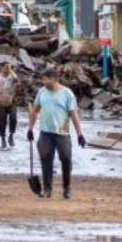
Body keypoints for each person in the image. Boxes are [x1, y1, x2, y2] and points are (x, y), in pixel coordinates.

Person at [28, 67, 86, 199]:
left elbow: (73, 114)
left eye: (46, 79)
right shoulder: (41, 92)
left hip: (62, 133)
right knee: (46, 159)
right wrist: (30, 129)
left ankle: (67, 188)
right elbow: (34, 110)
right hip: (45, 132)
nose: (43, 81)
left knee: (66, 159)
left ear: (54, 79)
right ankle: (47, 189)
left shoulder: (67, 94)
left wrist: (80, 134)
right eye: (43, 79)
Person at [0, 62, 19, 148]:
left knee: (13, 118)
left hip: (11, 101)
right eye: (5, 68)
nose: (6, 69)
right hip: (1, 102)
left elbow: (16, 79)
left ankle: (11, 135)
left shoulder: (12, 77)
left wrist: (11, 70)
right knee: (2, 122)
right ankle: (3, 138)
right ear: (1, 68)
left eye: (8, 68)